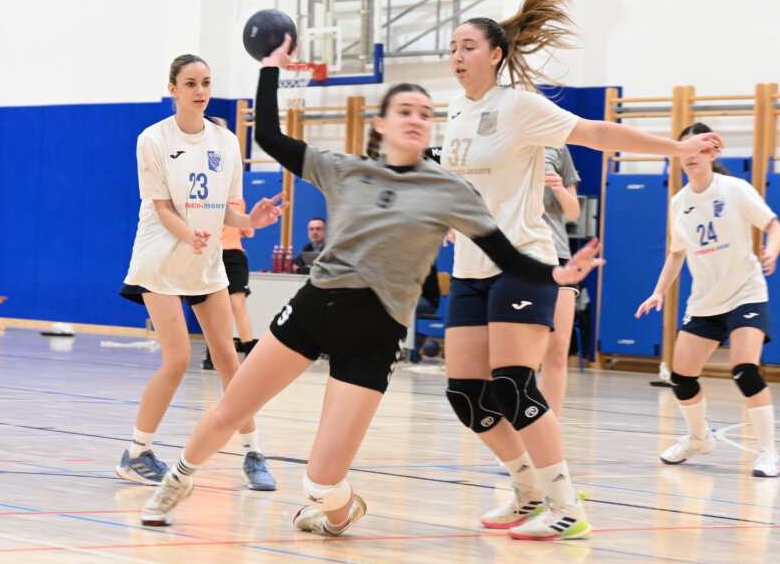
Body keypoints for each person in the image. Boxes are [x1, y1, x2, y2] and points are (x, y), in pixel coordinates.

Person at [137, 37, 603, 535]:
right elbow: (270, 136)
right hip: (315, 308)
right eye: (405, 110)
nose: (416, 118)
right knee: (230, 409)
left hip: (375, 333)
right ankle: (178, 481)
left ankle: (340, 509)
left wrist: (556, 274)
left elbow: (506, 255)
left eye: (426, 112)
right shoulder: (345, 168)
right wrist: (271, 68)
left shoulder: (450, 190)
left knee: (320, 483)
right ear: (380, 123)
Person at [441, 0, 722, 539]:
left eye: (467, 46)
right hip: (471, 266)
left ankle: (567, 507)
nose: (456, 55)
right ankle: (525, 491)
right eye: (452, 47)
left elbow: (597, 133)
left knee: (514, 388)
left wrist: (676, 148)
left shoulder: (518, 105)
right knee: (466, 396)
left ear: (495, 54)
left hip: (523, 262)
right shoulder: (454, 112)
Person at [116, 54, 283, 492]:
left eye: (206, 82)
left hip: (206, 261)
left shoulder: (226, 142)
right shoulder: (152, 139)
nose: (200, 90)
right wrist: (189, 234)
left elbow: (229, 211)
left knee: (231, 359)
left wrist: (252, 222)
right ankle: (136, 452)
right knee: (178, 360)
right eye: (190, 83)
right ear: (172, 89)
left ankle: (253, 453)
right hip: (161, 259)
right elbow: (162, 207)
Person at [636, 122, 780, 477]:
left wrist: (772, 253)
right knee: (681, 377)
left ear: (712, 151)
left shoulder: (734, 189)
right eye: (683, 149)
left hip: (746, 292)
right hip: (705, 301)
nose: (689, 156)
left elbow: (775, 227)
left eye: (698, 148)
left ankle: (768, 453)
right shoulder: (679, 203)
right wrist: (658, 292)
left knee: (745, 371)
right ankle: (699, 437)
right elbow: (676, 254)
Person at [538, 144, 581, 417]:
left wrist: (560, 189)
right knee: (515, 358)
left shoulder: (556, 147)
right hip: (511, 255)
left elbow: (574, 212)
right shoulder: (498, 138)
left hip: (556, 254)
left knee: (556, 352)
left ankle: (547, 434)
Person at [201, 198, 258, 370]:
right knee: (215, 307)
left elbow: (247, 231)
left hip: (235, 256)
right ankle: (211, 354)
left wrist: (250, 224)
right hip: (212, 255)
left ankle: (250, 354)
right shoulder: (207, 197)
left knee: (237, 304)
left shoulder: (239, 200)